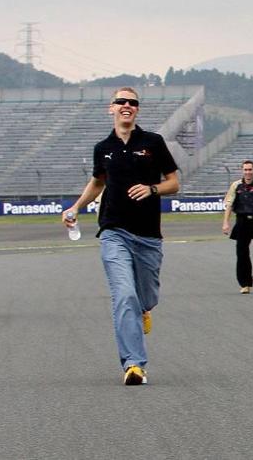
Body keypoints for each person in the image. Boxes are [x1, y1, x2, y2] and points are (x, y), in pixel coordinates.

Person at [63, 87, 180, 386]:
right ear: (110, 108)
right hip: (114, 231)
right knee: (123, 294)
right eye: (121, 102)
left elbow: (174, 183)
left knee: (146, 295)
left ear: (137, 110)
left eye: (132, 102)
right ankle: (134, 364)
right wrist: (76, 206)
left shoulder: (153, 142)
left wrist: (152, 188)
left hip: (148, 235)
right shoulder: (102, 148)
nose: (127, 106)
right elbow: (98, 182)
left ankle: (145, 309)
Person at [222, 160, 253, 293]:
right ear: (242, 171)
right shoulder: (236, 185)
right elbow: (229, 205)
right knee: (242, 253)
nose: (248, 172)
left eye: (250, 169)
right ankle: (245, 284)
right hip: (242, 221)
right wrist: (226, 223)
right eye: (245, 169)